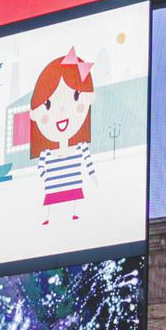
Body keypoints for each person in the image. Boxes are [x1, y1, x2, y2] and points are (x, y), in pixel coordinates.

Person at [27, 49, 99, 225]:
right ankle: (48, 218)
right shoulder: (46, 153)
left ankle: (74, 214)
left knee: (74, 201)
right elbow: (40, 169)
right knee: (52, 204)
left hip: (73, 185)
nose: (62, 111)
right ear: (34, 114)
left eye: (75, 96)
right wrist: (47, 179)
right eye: (48, 104)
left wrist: (92, 177)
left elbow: (88, 162)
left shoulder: (80, 147)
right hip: (53, 188)